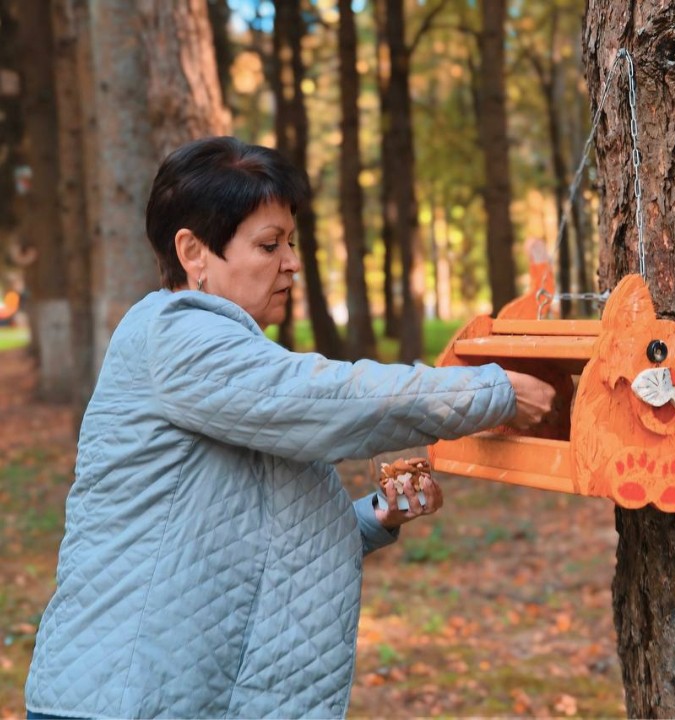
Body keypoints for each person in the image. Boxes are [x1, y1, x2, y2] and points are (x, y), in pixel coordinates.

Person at [24, 136, 555, 719]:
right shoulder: (177, 336)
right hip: (120, 701)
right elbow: (328, 399)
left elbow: (259, 540)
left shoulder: (225, 363)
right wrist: (492, 392)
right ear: (193, 251)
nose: (292, 263)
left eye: (291, 243)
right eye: (268, 244)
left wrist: (374, 517)